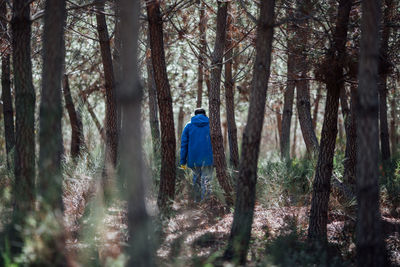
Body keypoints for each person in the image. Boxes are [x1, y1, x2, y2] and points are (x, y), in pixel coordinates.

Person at [180, 108, 214, 202]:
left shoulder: (188, 126)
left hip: (193, 159)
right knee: (207, 181)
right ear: (205, 114)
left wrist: (183, 161)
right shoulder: (212, 125)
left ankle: (197, 201)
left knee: (197, 181)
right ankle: (206, 203)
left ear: (194, 115)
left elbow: (184, 145)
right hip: (208, 159)